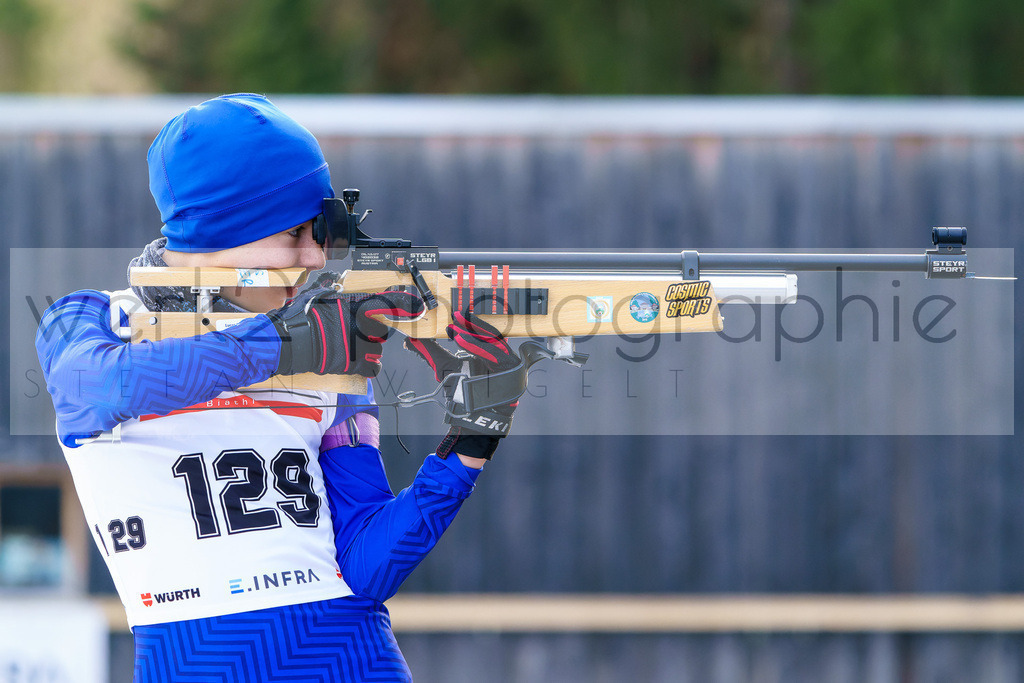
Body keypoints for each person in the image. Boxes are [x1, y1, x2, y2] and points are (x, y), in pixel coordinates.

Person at [35, 93, 519, 681]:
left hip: (355, 661)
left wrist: (472, 439)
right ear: (227, 231)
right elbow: (92, 387)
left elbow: (364, 571)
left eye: (319, 231)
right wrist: (285, 343)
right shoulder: (92, 320)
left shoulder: (331, 355)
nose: (315, 255)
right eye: (295, 233)